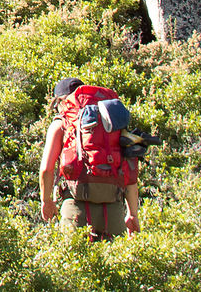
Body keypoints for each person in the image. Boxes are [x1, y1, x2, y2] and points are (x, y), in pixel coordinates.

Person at [39, 77, 141, 240]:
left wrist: (46, 201)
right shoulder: (111, 123)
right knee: (116, 263)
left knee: (74, 262)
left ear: (60, 102)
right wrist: (132, 214)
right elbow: (129, 171)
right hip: (113, 208)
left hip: (77, 208)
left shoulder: (62, 123)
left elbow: (46, 168)